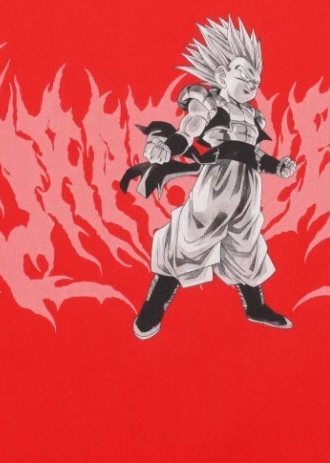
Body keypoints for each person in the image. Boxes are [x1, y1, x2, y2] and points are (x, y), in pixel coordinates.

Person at [122, 17, 297, 339]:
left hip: (247, 187)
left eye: (256, 79)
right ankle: (153, 308)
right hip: (216, 183)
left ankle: (255, 307)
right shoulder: (208, 103)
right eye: (243, 74)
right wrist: (168, 146)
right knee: (188, 240)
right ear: (221, 75)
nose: (252, 83)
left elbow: (253, 153)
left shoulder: (253, 115)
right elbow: (188, 132)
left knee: (246, 244)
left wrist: (277, 167)